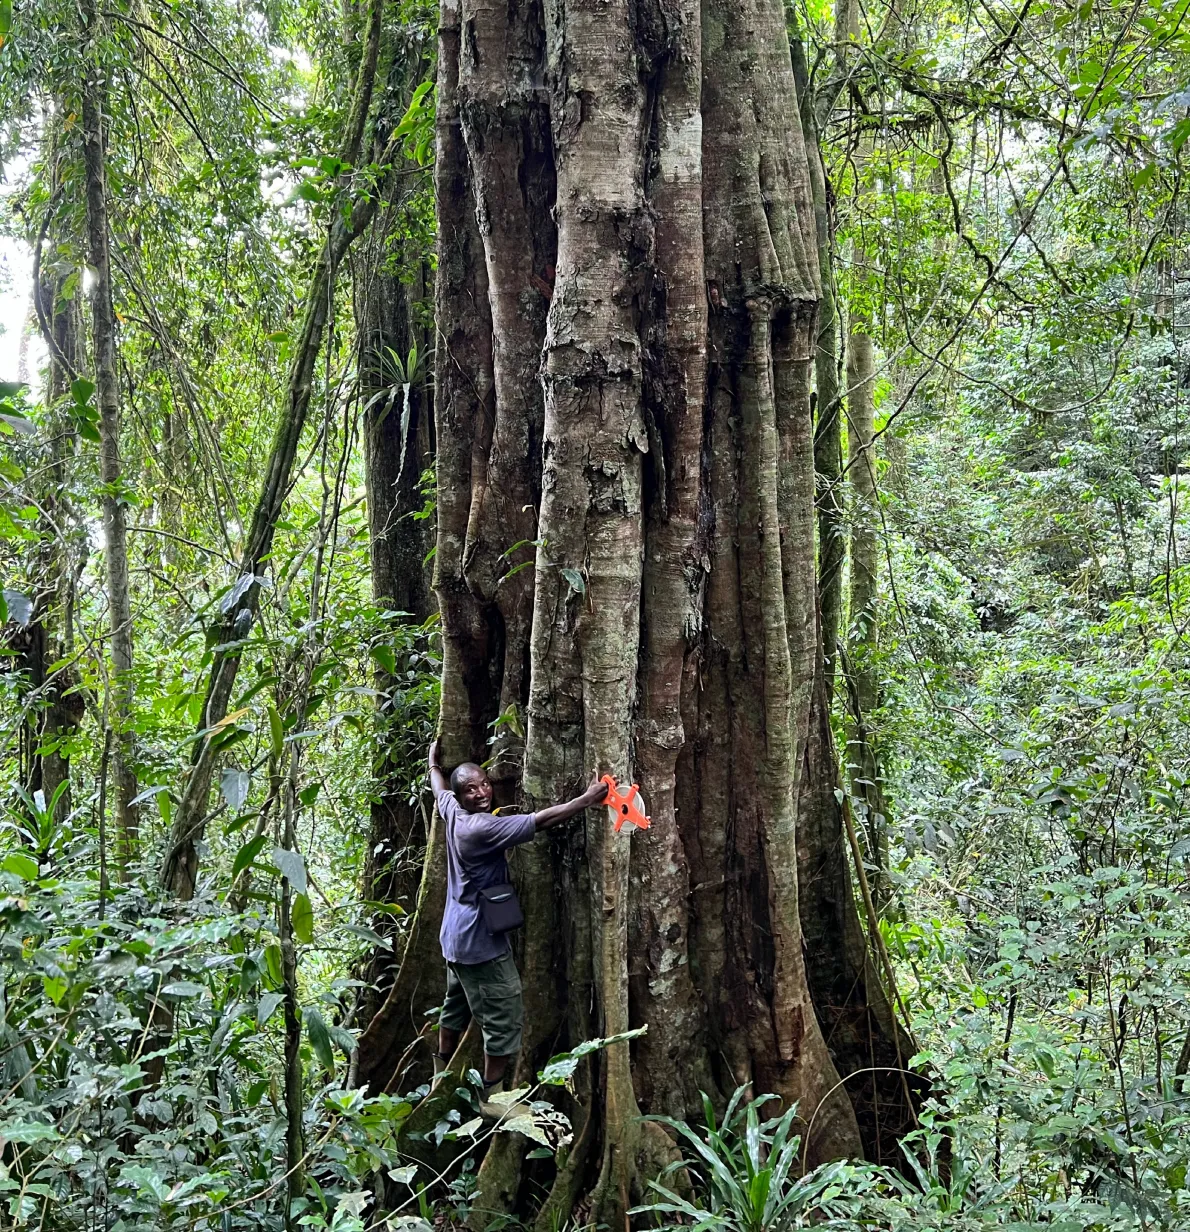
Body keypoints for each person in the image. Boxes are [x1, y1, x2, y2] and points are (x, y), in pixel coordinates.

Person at [427, 739, 608, 1114]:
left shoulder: (450, 810)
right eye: (470, 790)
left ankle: (440, 1071)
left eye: (483, 784)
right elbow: (542, 820)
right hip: (480, 944)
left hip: (454, 939)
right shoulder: (478, 828)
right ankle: (490, 1098)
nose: (480, 793)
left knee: (455, 1005)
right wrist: (586, 799)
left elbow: (438, 787)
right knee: (505, 1015)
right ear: (462, 797)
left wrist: (433, 763)